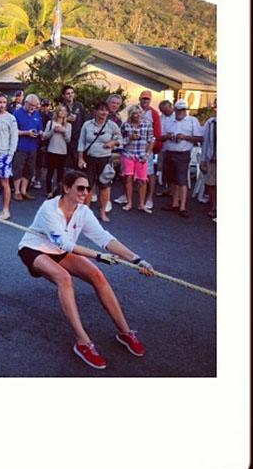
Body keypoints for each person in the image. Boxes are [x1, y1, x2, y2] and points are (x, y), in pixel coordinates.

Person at [17, 170, 154, 370]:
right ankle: (82, 342)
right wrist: (98, 256)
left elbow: (104, 238)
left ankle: (125, 332)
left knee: (97, 275)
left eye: (88, 188)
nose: (85, 192)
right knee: (64, 278)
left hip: (59, 250)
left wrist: (137, 259)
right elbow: (63, 243)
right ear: (66, 188)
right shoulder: (49, 208)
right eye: (80, 188)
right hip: (34, 249)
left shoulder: (83, 211)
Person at [77, 100, 122, 223]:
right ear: (95, 111)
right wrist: (80, 158)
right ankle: (85, 212)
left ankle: (102, 212)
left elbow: (120, 139)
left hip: (105, 159)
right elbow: (81, 142)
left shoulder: (111, 125)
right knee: (88, 186)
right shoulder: (87, 125)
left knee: (105, 186)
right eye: (101, 110)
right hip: (90, 158)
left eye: (106, 110)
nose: (104, 112)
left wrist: (113, 142)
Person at [161, 99, 203, 218]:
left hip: (183, 153)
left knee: (182, 180)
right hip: (169, 151)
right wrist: (169, 136)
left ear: (186, 110)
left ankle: (183, 206)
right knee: (172, 179)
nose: (180, 112)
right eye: (178, 110)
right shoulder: (169, 121)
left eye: (182, 110)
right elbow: (161, 136)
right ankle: (175, 203)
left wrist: (184, 137)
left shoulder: (192, 121)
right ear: (174, 110)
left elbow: (199, 138)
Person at [120, 104, 155, 213]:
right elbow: (120, 141)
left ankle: (142, 204)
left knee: (143, 180)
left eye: (139, 113)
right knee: (128, 178)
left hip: (141, 155)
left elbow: (151, 140)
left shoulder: (147, 124)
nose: (137, 115)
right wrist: (130, 138)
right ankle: (129, 202)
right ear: (131, 114)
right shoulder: (125, 125)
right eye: (135, 113)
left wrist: (147, 154)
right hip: (128, 154)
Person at [12, 94, 43, 201]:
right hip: (20, 146)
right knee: (18, 168)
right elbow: (13, 131)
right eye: (31, 105)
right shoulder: (17, 114)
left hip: (33, 147)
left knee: (29, 169)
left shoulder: (37, 114)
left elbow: (40, 128)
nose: (33, 107)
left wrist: (41, 133)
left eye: (35, 105)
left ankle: (24, 191)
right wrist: (26, 133)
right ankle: (16, 191)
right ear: (25, 103)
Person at [41, 104, 72, 198]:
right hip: (52, 150)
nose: (62, 113)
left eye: (64, 111)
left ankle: (58, 190)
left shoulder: (68, 125)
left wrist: (64, 132)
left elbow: (68, 140)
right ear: (57, 112)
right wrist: (53, 131)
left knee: (60, 172)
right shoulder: (50, 123)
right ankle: (49, 190)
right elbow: (45, 136)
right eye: (60, 110)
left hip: (62, 151)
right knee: (50, 171)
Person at [138, 90, 162, 210]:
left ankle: (150, 197)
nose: (145, 101)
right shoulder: (135, 109)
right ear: (140, 99)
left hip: (148, 147)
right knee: (130, 173)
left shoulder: (154, 113)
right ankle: (127, 196)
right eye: (143, 99)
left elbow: (157, 133)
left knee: (150, 173)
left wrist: (154, 147)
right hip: (134, 146)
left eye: (147, 99)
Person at [60, 85, 86, 170]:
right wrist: (66, 119)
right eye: (68, 93)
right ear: (63, 95)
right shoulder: (61, 107)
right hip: (65, 138)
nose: (70, 95)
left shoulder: (79, 105)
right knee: (64, 164)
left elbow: (84, 121)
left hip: (77, 138)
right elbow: (56, 122)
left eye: (72, 93)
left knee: (77, 162)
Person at [200, 98, 217, 220]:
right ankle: (214, 206)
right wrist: (203, 160)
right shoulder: (210, 123)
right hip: (212, 158)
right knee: (211, 184)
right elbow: (204, 142)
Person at [32, 98, 53, 189]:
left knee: (49, 161)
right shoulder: (37, 114)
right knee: (37, 161)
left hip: (49, 140)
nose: (45, 107)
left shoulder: (52, 116)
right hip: (38, 140)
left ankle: (46, 177)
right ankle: (36, 178)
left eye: (47, 105)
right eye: (43, 105)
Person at [156, 99, 175, 196]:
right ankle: (167, 189)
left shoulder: (177, 117)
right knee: (164, 169)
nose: (164, 112)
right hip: (163, 147)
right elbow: (160, 133)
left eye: (166, 110)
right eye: (162, 111)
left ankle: (174, 191)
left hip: (175, 147)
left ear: (171, 107)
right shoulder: (161, 118)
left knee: (174, 170)